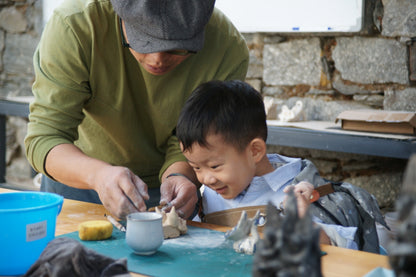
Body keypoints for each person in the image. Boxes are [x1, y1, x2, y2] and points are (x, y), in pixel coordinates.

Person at [24, 0, 249, 220]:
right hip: (76, 180)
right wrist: (98, 175)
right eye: (143, 40)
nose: (157, 59)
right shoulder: (75, 26)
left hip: (163, 194)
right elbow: (46, 136)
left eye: (176, 47)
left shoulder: (226, 47)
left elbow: (195, 137)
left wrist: (180, 175)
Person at [176, 80, 389, 253]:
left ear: (255, 151)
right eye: (196, 168)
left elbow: (341, 255)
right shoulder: (211, 192)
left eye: (214, 166)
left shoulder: (303, 191)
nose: (206, 179)